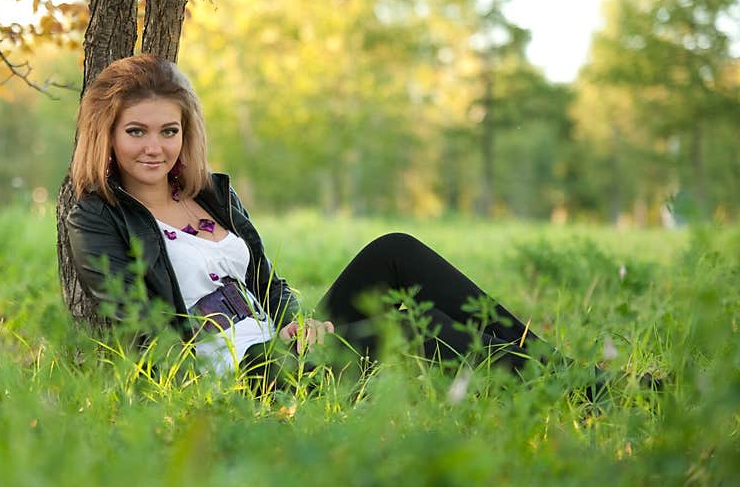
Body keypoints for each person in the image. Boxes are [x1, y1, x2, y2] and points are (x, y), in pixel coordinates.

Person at [67, 54, 553, 388]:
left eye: (168, 131)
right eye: (136, 131)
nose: (155, 147)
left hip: (283, 344)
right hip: (240, 371)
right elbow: (138, 330)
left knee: (395, 251)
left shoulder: (211, 194)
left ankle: (562, 372)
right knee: (406, 330)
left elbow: (266, 284)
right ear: (106, 135)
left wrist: (297, 326)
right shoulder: (98, 217)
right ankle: (568, 387)